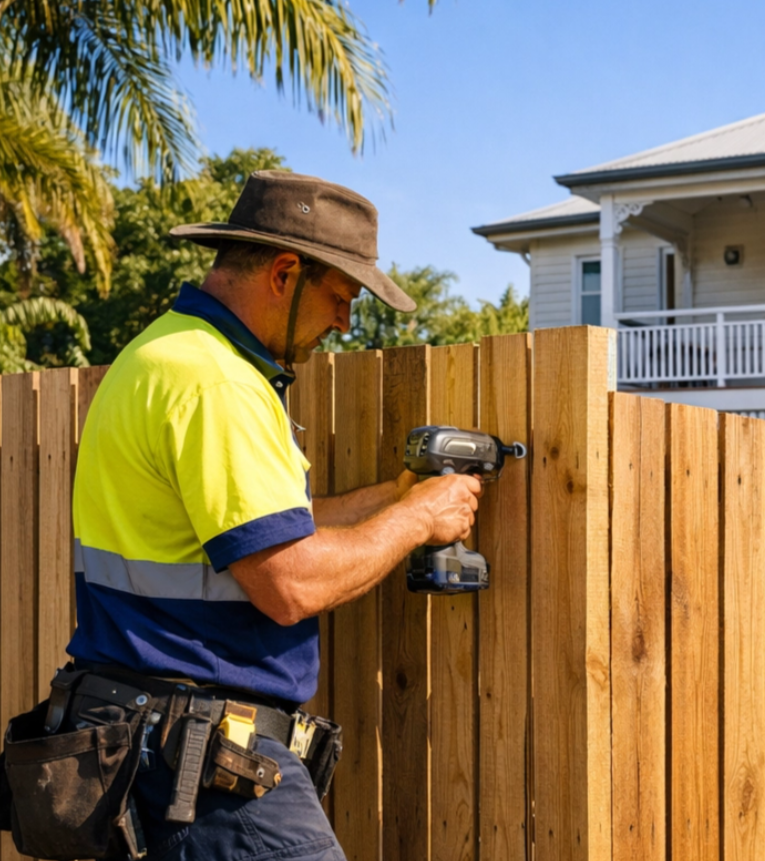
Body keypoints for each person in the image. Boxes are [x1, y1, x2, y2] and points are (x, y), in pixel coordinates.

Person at [54, 171, 480, 860]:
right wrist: (417, 523)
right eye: (340, 297)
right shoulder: (220, 380)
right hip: (202, 762)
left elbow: (266, 527)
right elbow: (290, 583)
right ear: (285, 272)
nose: (344, 321)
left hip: (133, 740)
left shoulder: (161, 355)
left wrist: (401, 493)